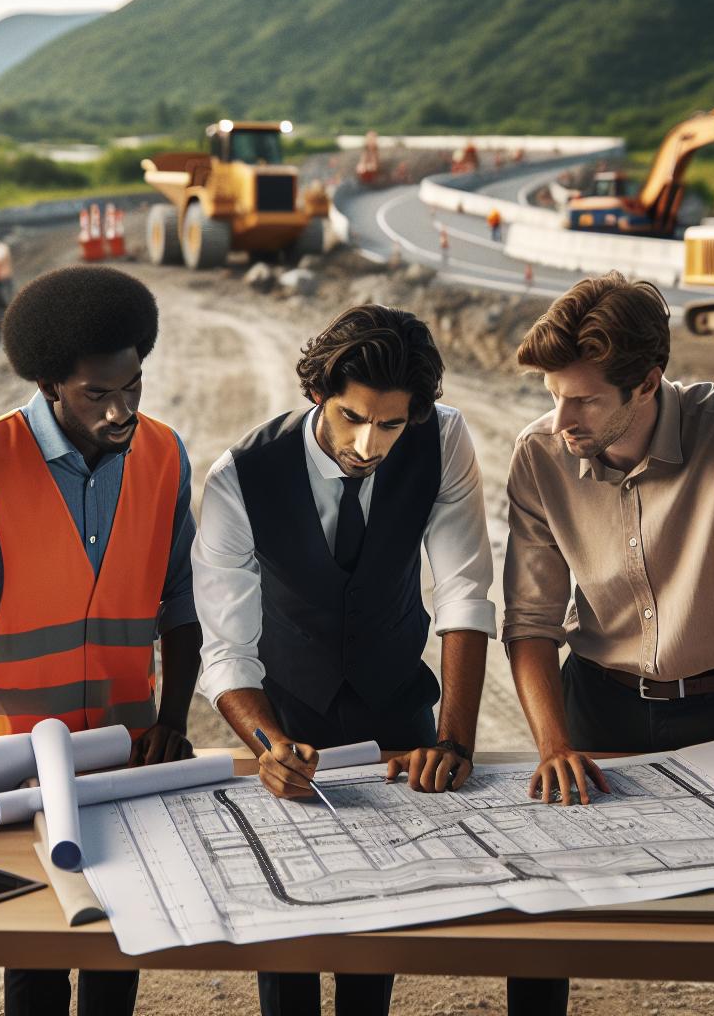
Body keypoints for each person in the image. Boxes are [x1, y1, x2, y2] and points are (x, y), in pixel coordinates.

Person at [0, 265, 199, 1016]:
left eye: (134, 387)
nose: (121, 411)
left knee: (122, 945)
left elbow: (180, 605)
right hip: (7, 777)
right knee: (35, 963)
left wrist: (173, 721)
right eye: (98, 394)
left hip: (121, 767)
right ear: (52, 384)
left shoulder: (164, 456)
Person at [500, 272, 714, 1016]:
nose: (561, 417)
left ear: (647, 383)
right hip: (595, 706)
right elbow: (530, 620)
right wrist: (553, 746)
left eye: (583, 399)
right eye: (553, 394)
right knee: (552, 906)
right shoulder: (540, 455)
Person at [195, 304, 495, 1016]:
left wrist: (454, 737)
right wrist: (270, 748)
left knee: (377, 940)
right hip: (288, 711)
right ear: (318, 395)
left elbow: (464, 592)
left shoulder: (444, 441)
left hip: (400, 709)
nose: (370, 443)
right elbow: (226, 649)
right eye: (353, 417)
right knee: (291, 942)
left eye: (391, 424)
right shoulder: (239, 478)